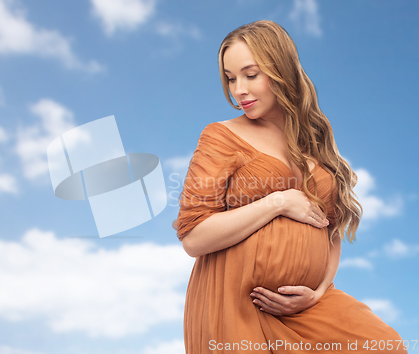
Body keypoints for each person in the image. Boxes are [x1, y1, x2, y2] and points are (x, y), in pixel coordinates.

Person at [172, 20, 407, 353]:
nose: (239, 89)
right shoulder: (221, 136)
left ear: (282, 70)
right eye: (230, 78)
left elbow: (332, 229)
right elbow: (194, 237)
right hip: (236, 303)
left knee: (384, 345)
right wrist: (278, 202)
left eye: (251, 75)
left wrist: (320, 290)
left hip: (308, 307)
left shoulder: (316, 143)